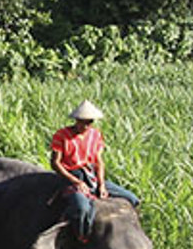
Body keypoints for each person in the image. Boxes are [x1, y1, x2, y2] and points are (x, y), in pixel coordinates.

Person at [49, 100, 141, 240]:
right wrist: (76, 182)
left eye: (89, 122)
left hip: (90, 175)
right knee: (82, 209)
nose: (85, 126)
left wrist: (102, 184)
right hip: (72, 175)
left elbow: (98, 162)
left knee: (132, 199)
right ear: (76, 120)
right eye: (82, 122)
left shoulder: (95, 135)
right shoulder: (62, 135)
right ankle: (79, 236)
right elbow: (55, 163)